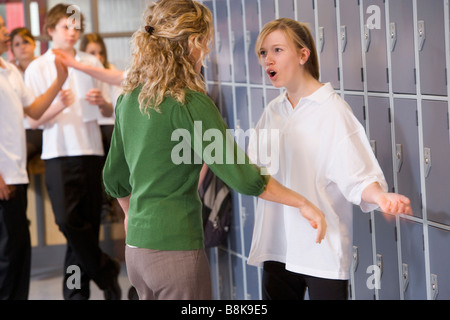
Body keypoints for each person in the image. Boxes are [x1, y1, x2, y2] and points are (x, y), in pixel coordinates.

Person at [102, 0, 326, 300]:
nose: (206, 51)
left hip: (137, 254)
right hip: (175, 252)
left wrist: (132, 217)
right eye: (205, 42)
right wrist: (301, 202)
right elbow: (244, 178)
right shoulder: (189, 102)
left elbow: (113, 178)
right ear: (193, 41)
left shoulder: (129, 99)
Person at [247, 18, 412, 300]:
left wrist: (380, 197)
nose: (267, 60)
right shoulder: (273, 111)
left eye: (277, 50)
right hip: (277, 246)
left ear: (302, 55)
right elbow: (252, 173)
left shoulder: (333, 111)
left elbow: (357, 173)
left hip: (321, 249)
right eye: (263, 53)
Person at [24, 4, 120, 300]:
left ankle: (76, 294)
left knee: (86, 230)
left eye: (76, 27)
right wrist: (58, 105)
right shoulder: (37, 67)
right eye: (65, 27)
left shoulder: (90, 61)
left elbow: (109, 110)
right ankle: (107, 272)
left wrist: (101, 104)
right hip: (57, 155)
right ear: (51, 30)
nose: (72, 32)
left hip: (92, 153)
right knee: (69, 223)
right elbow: (31, 119)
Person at [0, 15, 68, 299]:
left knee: (17, 252)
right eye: (1, 29)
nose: (5, 32)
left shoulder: (9, 70)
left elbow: (35, 111)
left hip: (17, 173)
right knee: (4, 256)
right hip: (3, 177)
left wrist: (59, 81)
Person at [10, 27, 43, 166]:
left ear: (34, 44)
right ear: (12, 50)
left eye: (26, 42)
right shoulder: (9, 72)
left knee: (19, 156)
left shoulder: (43, 66)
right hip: (17, 127)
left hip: (39, 126)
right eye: (17, 44)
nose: (22, 47)